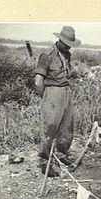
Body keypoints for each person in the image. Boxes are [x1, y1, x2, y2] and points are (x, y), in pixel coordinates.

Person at [34, 26, 81, 177]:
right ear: (59, 40)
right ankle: (45, 161)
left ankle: (61, 154)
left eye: (70, 44)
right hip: (52, 92)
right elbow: (38, 82)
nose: (68, 46)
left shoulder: (67, 54)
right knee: (50, 127)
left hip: (65, 92)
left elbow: (67, 74)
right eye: (66, 43)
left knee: (67, 127)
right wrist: (46, 96)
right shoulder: (47, 55)